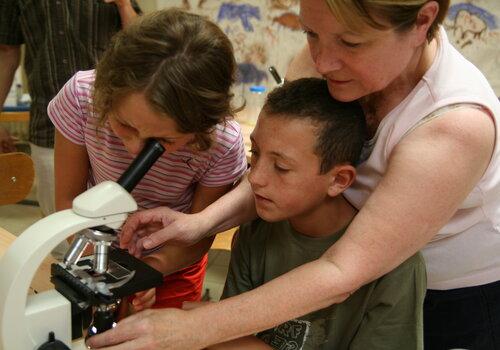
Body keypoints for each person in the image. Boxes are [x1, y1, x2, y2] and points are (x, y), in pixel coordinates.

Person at [88, 1, 500, 349]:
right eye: (311, 34)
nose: (321, 61)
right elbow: (283, 166)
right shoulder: (327, 61)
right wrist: (201, 224)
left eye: (350, 43)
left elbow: (343, 271)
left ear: (423, 21)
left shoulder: (455, 127)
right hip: (333, 270)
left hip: (446, 298)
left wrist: (194, 328)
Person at [47, 9, 247, 311]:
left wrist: (147, 272)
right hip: (92, 254)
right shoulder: (81, 98)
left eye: (162, 141)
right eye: (124, 126)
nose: (134, 151)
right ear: (106, 96)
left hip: (173, 262)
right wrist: (104, 273)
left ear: (200, 128)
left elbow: (199, 233)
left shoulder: (221, 143)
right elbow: (67, 201)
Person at [209, 78, 426, 350]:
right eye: (256, 153)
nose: (256, 178)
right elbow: (224, 334)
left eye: (281, 167)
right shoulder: (257, 231)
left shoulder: (396, 268)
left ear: (339, 180)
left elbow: (219, 334)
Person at [0, 0, 140, 216]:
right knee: (59, 225)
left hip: (113, 122)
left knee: (121, 220)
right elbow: (7, 51)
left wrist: (124, 5)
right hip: (48, 123)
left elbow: (140, 43)